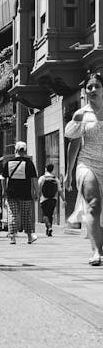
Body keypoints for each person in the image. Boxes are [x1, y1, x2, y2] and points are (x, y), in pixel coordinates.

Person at [64, 71, 103, 265]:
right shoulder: (81, 114)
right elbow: (74, 144)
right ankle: (97, 251)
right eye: (90, 87)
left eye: (97, 86)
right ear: (85, 91)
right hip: (87, 163)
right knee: (94, 203)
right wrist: (68, 173)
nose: (93, 89)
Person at [1, 141, 38, 245]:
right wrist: (36, 191)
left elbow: (3, 178)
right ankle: (29, 237)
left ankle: (12, 237)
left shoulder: (9, 163)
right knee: (26, 214)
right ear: (25, 150)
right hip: (25, 193)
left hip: (11, 192)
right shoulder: (29, 163)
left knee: (12, 214)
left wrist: (4, 189)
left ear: (15, 150)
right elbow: (34, 179)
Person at [38, 163, 64, 237]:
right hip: (53, 199)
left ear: (46, 169)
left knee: (45, 214)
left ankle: (49, 227)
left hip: (44, 199)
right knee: (50, 214)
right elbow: (60, 190)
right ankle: (49, 230)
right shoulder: (55, 178)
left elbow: (39, 190)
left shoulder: (42, 178)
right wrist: (64, 199)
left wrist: (38, 197)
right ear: (52, 169)